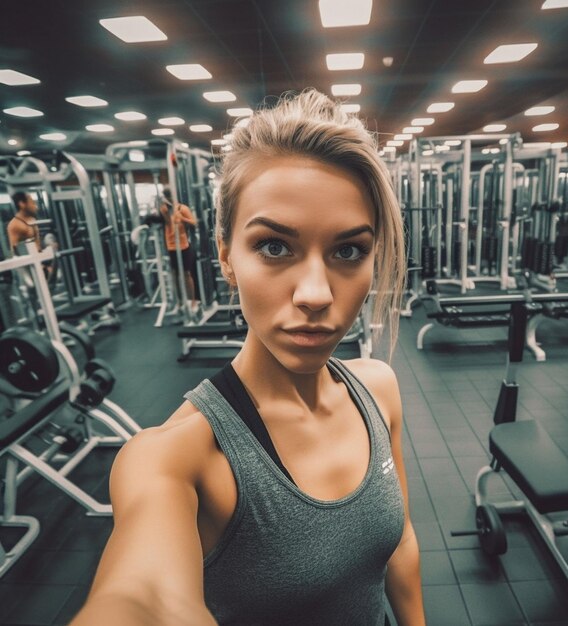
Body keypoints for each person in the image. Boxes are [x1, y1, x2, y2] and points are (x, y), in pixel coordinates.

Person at [71, 89, 427, 626]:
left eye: (348, 251)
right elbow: (143, 598)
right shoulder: (176, 457)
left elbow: (399, 542)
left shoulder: (378, 389)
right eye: (275, 247)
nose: (315, 294)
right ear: (225, 255)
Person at [159, 186, 199, 315]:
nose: (169, 198)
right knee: (175, 275)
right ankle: (180, 303)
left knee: (186, 274)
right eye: (167, 196)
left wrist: (182, 218)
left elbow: (194, 223)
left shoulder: (183, 208)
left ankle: (193, 302)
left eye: (170, 195)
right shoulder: (164, 209)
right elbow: (169, 226)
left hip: (183, 246)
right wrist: (165, 215)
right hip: (171, 246)